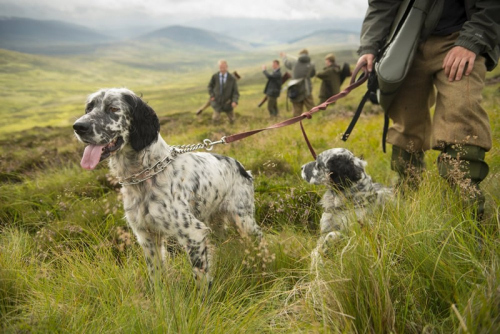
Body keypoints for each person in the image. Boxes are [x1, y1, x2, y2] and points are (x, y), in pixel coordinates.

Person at [356, 0, 500, 219]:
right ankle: (408, 201)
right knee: (407, 124)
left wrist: (472, 41)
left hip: (461, 38)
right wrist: (369, 46)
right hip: (406, 41)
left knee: (462, 118)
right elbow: (382, 4)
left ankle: (468, 214)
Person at [281, 49, 316, 116]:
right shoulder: (311, 64)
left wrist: (284, 57)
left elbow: (286, 63)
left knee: (296, 111)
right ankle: (317, 121)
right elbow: (312, 74)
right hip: (306, 88)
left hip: (295, 88)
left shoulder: (294, 62)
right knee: (312, 109)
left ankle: (296, 124)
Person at [207, 60, 240, 124]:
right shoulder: (215, 77)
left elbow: (235, 92)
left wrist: (234, 101)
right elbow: (210, 87)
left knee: (232, 121)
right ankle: (216, 132)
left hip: (228, 103)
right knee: (215, 120)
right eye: (220, 67)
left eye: (223, 67)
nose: (222, 69)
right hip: (217, 102)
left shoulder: (232, 78)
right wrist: (212, 95)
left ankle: (233, 132)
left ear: (227, 67)